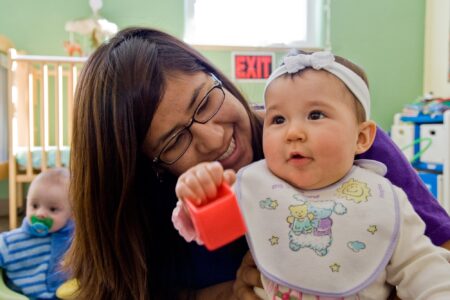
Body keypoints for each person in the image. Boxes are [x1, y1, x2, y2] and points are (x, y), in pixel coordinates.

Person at [66, 27, 450, 299]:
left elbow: (437, 256)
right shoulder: (163, 210)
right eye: (175, 141)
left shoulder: (343, 143)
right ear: (149, 168)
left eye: (205, 101)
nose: (214, 139)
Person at [174, 50, 450, 299]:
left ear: (362, 137)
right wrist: (198, 190)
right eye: (278, 119)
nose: (293, 133)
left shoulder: (385, 198)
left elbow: (422, 267)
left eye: (316, 115)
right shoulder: (255, 184)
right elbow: (208, 223)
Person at [0, 167, 73, 299]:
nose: (40, 214)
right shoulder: (10, 241)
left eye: (52, 209)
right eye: (34, 206)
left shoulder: (74, 240)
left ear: (71, 213)